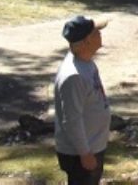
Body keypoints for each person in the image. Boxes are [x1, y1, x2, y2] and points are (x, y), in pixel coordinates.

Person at [54, 15, 110, 185]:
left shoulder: (86, 62)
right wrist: (85, 154)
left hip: (93, 145)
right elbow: (71, 120)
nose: (100, 34)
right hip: (79, 154)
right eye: (96, 32)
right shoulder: (74, 76)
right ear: (86, 41)